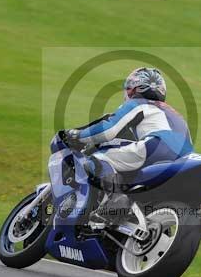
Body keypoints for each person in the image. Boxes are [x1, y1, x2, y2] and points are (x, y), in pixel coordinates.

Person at [65, 67, 193, 227]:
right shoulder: (174, 113)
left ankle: (115, 200)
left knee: (100, 158)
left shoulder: (138, 103)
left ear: (134, 89)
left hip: (156, 147)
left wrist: (78, 135)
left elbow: (108, 130)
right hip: (184, 159)